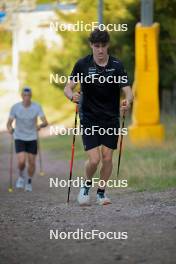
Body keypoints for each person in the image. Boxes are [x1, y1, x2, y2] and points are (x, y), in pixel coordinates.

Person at [64, 28, 133, 205]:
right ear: (91, 46)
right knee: (94, 159)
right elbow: (68, 87)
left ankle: (101, 193)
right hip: (89, 117)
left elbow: (127, 90)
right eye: (97, 46)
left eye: (103, 46)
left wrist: (128, 101)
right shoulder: (83, 64)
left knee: (107, 157)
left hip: (110, 118)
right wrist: (72, 95)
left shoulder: (116, 65)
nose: (100, 50)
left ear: (108, 45)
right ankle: (85, 186)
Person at [7, 87, 48, 192]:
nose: (26, 97)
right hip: (19, 137)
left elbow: (45, 122)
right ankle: (21, 177)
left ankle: (29, 181)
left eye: (28, 95)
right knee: (21, 161)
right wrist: (10, 128)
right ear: (21, 96)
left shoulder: (36, 107)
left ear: (31, 96)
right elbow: (9, 123)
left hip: (32, 137)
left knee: (32, 162)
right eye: (24, 95)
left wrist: (40, 125)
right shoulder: (15, 107)